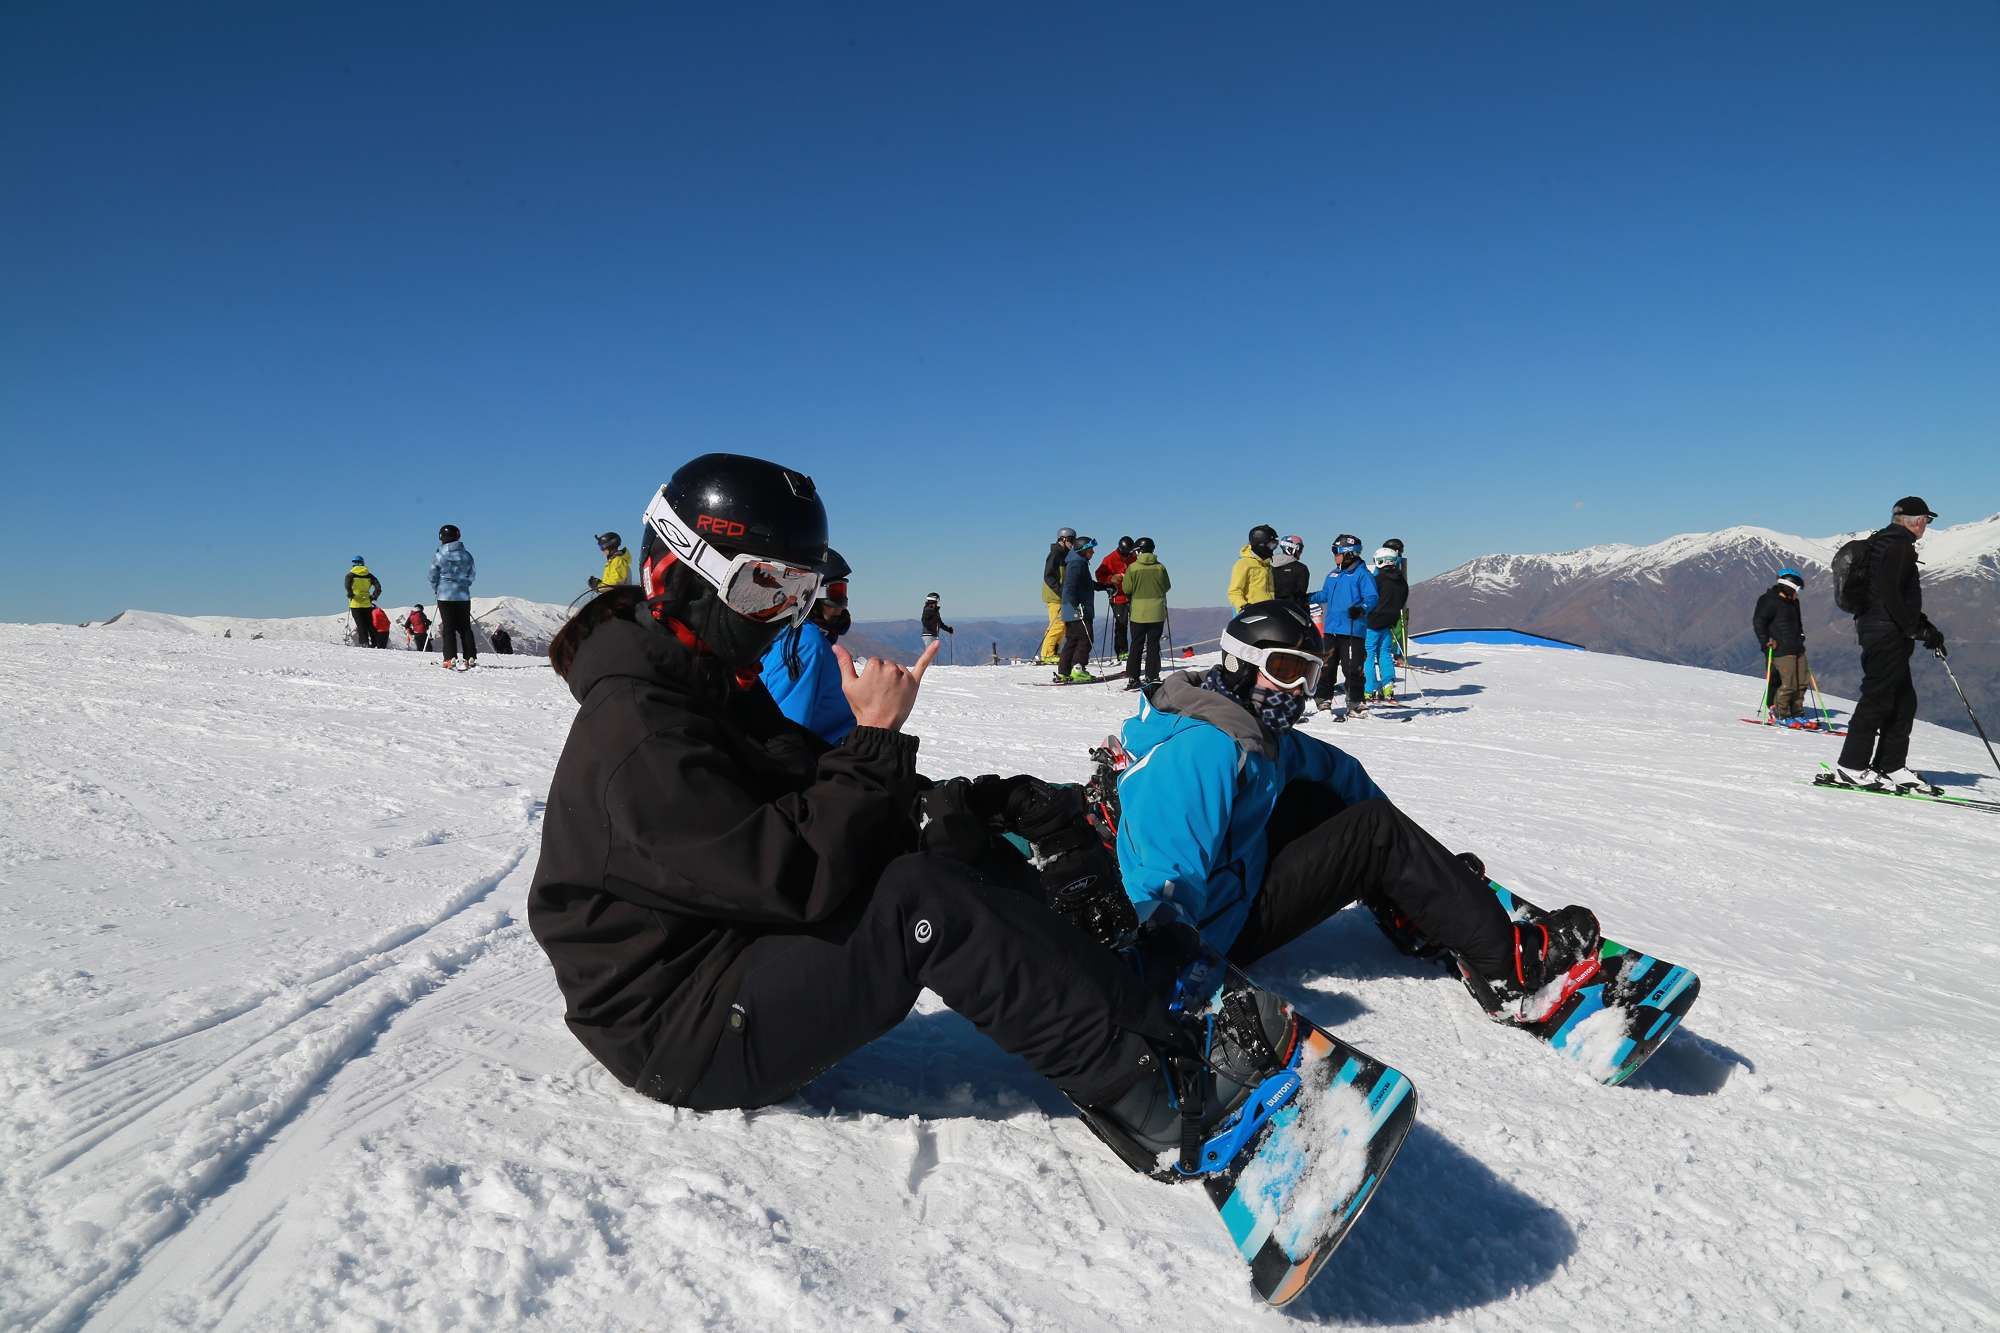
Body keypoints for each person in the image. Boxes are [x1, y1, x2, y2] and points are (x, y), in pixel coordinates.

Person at [527, 452, 1242, 1174]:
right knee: (918, 901)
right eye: (762, 587)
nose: (783, 616)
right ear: (678, 572)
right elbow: (795, 873)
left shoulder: (705, 678)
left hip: (729, 942)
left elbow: (811, 785)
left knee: (945, 836)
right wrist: (875, 739)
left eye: (799, 592)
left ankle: (1125, 990)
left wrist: (965, 803)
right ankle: (1150, 1099)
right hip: (680, 1024)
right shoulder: (638, 729)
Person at [1107, 600, 1603, 1024]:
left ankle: (1412, 909)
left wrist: (1417, 871)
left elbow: (1339, 772)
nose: (1298, 689)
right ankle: (1509, 967)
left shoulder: (1251, 730)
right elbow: (1161, 872)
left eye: (1308, 673)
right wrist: (1172, 967)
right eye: (1285, 670)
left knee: (1329, 799)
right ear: (1240, 664)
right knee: (1373, 832)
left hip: (1232, 882)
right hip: (1208, 934)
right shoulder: (1206, 748)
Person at [1834, 498, 1948, 792]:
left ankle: (1891, 765)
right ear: (1919, 521)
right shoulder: (1898, 546)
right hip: (1886, 634)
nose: (1926, 526)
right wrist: (1914, 628)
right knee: (1877, 698)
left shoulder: (1885, 542)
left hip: (1881, 629)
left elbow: (1895, 595)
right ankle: (1851, 767)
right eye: (1927, 520)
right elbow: (1890, 594)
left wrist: (1924, 626)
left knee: (1903, 700)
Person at [762, 550, 858, 744]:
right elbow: (785, 735)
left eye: (843, 593)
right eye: (836, 593)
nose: (843, 606)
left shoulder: (785, 635)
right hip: (827, 755)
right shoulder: (805, 644)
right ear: (807, 593)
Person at [1307, 535, 1377, 715]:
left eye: (1337, 552)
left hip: (1352, 630)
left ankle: (1355, 702)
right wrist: (1307, 598)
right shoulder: (1333, 574)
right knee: (1326, 667)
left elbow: (1372, 597)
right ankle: (1323, 699)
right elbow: (1325, 595)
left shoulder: (1362, 574)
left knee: (1352, 668)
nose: (1335, 556)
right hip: (1331, 630)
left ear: (1349, 554)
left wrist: (1361, 609)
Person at [1752, 569, 1812, 727]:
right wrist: (1766, 642)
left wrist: (1801, 635)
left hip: (1797, 647)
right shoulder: (1769, 600)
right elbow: (1759, 622)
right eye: (1797, 588)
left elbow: (1797, 622)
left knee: (1802, 682)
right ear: (1789, 585)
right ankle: (1781, 713)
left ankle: (1797, 712)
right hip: (1781, 649)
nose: (1798, 593)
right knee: (1788, 683)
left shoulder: (1793, 602)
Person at [1121, 537, 1170, 693]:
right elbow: (1166, 587)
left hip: (1138, 613)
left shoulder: (1133, 568)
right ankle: (1152, 676)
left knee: (1136, 645)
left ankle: (1133, 678)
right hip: (1157, 613)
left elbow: (1127, 589)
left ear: (1139, 551)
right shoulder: (1160, 567)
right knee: (1153, 645)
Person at [430, 524, 478, 670]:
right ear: (458, 536)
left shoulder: (439, 555)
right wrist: (464, 585)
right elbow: (472, 574)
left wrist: (437, 588)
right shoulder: (466, 555)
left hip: (445, 595)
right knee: (465, 627)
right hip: (463, 595)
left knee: (449, 627)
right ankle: (470, 657)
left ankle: (450, 658)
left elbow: (432, 575)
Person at [1363, 547, 1408, 703]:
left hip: (1372, 622)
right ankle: (1388, 686)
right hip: (1389, 623)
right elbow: (1402, 601)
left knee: (1368, 654)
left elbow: (1369, 598)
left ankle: (1369, 689)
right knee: (1384, 653)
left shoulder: (1376, 580)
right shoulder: (1401, 582)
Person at [1057, 535, 1100, 683]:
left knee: (1072, 640)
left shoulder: (1077, 562)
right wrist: (1075, 605)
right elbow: (1069, 587)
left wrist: (1104, 586)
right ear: (1082, 550)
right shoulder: (1077, 564)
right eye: (1090, 550)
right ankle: (1077, 669)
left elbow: (1085, 584)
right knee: (1085, 639)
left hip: (1071, 609)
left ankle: (1064, 671)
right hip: (1078, 610)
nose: (1093, 552)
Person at [1095, 537, 1136, 662]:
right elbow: (1099, 575)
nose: (1126, 556)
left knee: (1137, 624)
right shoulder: (1110, 559)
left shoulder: (1133, 557)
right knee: (1121, 625)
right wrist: (1111, 579)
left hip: (1133, 596)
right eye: (1124, 554)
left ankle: (1137, 650)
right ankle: (1122, 652)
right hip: (1118, 597)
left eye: (1128, 553)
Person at [1039, 528, 1075, 665]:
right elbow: (1048, 576)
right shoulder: (1055, 553)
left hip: (1060, 595)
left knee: (1062, 624)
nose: (1072, 543)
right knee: (1058, 624)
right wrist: (1061, 592)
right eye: (1071, 540)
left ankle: (1052, 651)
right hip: (1055, 596)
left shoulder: (1065, 553)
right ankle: (1047, 654)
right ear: (1063, 539)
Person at [1227, 525, 1277, 611]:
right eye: (1271, 545)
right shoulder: (1243, 564)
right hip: (1252, 613)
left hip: (1268, 611)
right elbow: (1234, 591)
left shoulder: (1267, 565)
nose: (1273, 548)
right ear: (1261, 545)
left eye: (1275, 545)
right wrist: (1243, 606)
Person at [345, 557, 382, 647]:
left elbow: (347, 586)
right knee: (370, 624)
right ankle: (375, 643)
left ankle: (365, 643)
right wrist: (373, 597)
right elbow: (378, 587)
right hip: (367, 603)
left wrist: (350, 594)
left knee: (360, 625)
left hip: (355, 603)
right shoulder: (369, 575)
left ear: (353, 564)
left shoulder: (350, 575)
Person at [1269, 535, 1310, 613]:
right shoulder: (1301, 568)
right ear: (1292, 548)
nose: (1301, 552)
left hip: (1272, 609)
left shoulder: (1268, 566)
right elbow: (1301, 593)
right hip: (1293, 611)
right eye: (1300, 549)